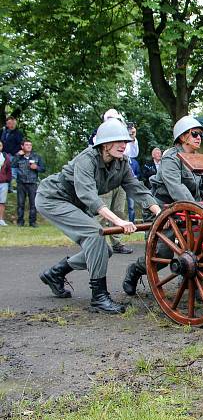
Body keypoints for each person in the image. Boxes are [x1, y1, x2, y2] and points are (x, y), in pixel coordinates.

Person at [36, 119, 161, 314]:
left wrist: (159, 212)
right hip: (53, 198)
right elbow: (89, 196)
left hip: (76, 202)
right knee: (95, 235)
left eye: (125, 142)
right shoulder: (87, 159)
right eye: (118, 141)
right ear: (104, 144)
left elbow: (136, 188)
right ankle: (99, 297)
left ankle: (56, 273)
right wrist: (119, 221)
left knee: (104, 251)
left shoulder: (121, 164)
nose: (123, 145)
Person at [123, 116, 203, 295]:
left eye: (200, 135)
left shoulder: (198, 159)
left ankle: (191, 282)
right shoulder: (170, 158)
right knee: (161, 256)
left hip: (189, 208)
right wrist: (199, 209)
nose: (198, 138)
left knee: (200, 248)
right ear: (182, 137)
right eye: (194, 134)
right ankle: (134, 271)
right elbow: (176, 188)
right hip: (162, 209)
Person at [92, 110, 134, 254]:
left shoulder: (123, 134)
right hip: (105, 179)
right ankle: (97, 242)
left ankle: (117, 242)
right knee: (101, 212)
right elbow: (95, 152)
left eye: (116, 118)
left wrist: (132, 137)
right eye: (110, 118)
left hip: (120, 176)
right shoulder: (99, 133)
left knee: (119, 211)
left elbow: (132, 153)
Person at [12, 140, 45, 227]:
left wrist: (36, 167)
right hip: (21, 183)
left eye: (30, 145)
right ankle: (20, 222)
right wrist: (18, 155)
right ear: (22, 146)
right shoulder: (19, 156)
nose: (29, 146)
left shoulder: (37, 157)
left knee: (33, 204)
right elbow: (12, 165)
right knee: (20, 203)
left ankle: (32, 222)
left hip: (32, 183)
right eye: (26, 145)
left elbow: (43, 169)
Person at [1, 116, 24, 185]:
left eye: (13, 123)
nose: (11, 125)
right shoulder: (3, 132)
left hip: (12, 155)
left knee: (12, 171)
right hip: (3, 154)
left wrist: (16, 153)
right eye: (9, 123)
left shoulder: (18, 133)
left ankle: (10, 187)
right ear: (7, 124)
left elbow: (21, 144)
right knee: (3, 170)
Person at [0, 141, 11, 225]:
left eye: (0, 145)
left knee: (2, 202)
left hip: (3, 182)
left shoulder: (5, 156)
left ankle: (1, 219)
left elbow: (9, 170)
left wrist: (7, 179)